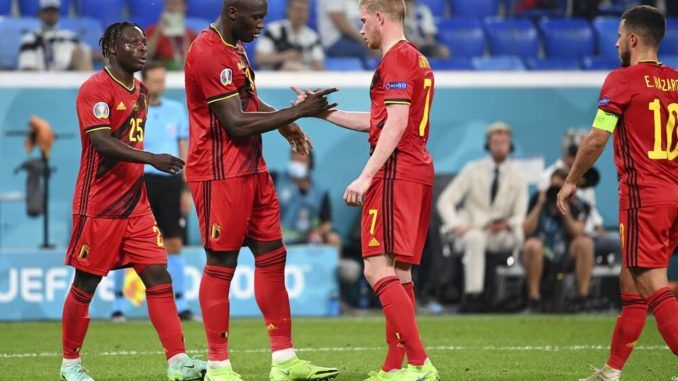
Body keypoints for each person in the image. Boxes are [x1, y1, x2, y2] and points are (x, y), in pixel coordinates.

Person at [183, 1, 339, 380]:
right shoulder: (207, 52)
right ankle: (219, 367)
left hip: (253, 169)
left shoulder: (235, 47)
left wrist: (283, 121)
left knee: (273, 257)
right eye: (256, 18)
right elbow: (235, 122)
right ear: (234, 13)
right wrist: (296, 114)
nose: (261, 26)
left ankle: (284, 361)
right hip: (220, 174)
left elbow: (247, 102)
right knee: (222, 265)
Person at [293, 0, 439, 379]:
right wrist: (320, 111)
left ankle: (420, 364)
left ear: (379, 17)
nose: (360, 30)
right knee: (399, 273)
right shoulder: (416, 59)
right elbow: (379, 121)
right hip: (415, 169)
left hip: (395, 172)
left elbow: (396, 124)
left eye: (362, 21)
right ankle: (394, 367)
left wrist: (366, 174)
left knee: (376, 270)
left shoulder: (396, 60)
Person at [60, 22, 206, 381]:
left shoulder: (140, 91)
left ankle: (178, 361)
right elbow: (101, 142)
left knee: (158, 275)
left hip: (135, 205)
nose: (143, 48)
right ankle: (70, 364)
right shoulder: (94, 89)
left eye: (144, 43)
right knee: (86, 284)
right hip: (99, 204)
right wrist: (152, 159)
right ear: (111, 48)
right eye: (133, 43)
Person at [554, 6, 678, 380]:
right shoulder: (676, 81)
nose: (616, 41)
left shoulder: (621, 81)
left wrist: (572, 178)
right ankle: (611, 371)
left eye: (620, 35)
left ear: (634, 40)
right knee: (631, 280)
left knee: (648, 280)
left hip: (646, 196)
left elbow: (596, 138)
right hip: (673, 192)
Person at [111, 61, 197, 322]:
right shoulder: (132, 109)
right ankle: (120, 305)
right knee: (127, 242)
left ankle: (180, 303)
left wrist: (186, 189)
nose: (160, 85)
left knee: (174, 242)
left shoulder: (175, 110)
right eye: (156, 81)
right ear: (144, 82)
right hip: (139, 180)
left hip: (170, 184)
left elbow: (184, 151)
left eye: (162, 80)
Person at [436, 122, 528, 311]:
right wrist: (456, 225)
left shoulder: (518, 176)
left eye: (503, 142)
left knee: (518, 237)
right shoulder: (472, 169)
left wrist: (507, 223)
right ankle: (473, 296)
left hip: (501, 235)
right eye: (495, 142)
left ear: (510, 144)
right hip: (472, 231)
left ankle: (515, 296)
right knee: (475, 238)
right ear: (488, 145)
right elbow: (445, 201)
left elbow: (520, 214)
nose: (500, 146)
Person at [523, 169, 592, 312]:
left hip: (567, 251)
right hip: (542, 250)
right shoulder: (537, 199)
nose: (556, 193)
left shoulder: (577, 203)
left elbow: (577, 232)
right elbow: (526, 230)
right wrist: (539, 204)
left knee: (585, 243)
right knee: (532, 245)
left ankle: (583, 298)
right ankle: (534, 299)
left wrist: (564, 208)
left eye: (559, 189)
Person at [275, 150, 341, 246]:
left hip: (306, 238)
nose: (297, 163)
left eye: (301, 160)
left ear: (310, 164)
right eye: (294, 159)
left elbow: (327, 223)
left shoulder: (320, 192)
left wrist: (317, 233)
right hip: (277, 235)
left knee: (334, 239)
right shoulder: (276, 180)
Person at [18, 0, 94, 71]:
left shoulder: (69, 35)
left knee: (82, 54)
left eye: (54, 11)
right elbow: (27, 68)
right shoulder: (30, 39)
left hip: (70, 76)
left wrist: (103, 57)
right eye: (47, 11)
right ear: (39, 14)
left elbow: (88, 52)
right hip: (44, 79)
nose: (51, 15)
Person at [255, 0, 325, 71]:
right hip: (275, 77)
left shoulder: (313, 37)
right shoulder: (273, 30)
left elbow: (319, 67)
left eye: (304, 11)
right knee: (289, 66)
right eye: (298, 10)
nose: (301, 14)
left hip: (304, 77)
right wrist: (285, 56)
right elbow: (259, 58)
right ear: (288, 10)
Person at [317, 0, 373, 68]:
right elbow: (342, 25)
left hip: (348, 37)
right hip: (334, 42)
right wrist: (364, 40)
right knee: (364, 50)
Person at [146, 0, 198, 70]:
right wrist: (157, 32)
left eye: (175, 3)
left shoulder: (191, 34)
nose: (171, 8)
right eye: (168, 4)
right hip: (162, 75)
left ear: (185, 7)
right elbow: (145, 56)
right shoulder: (153, 31)